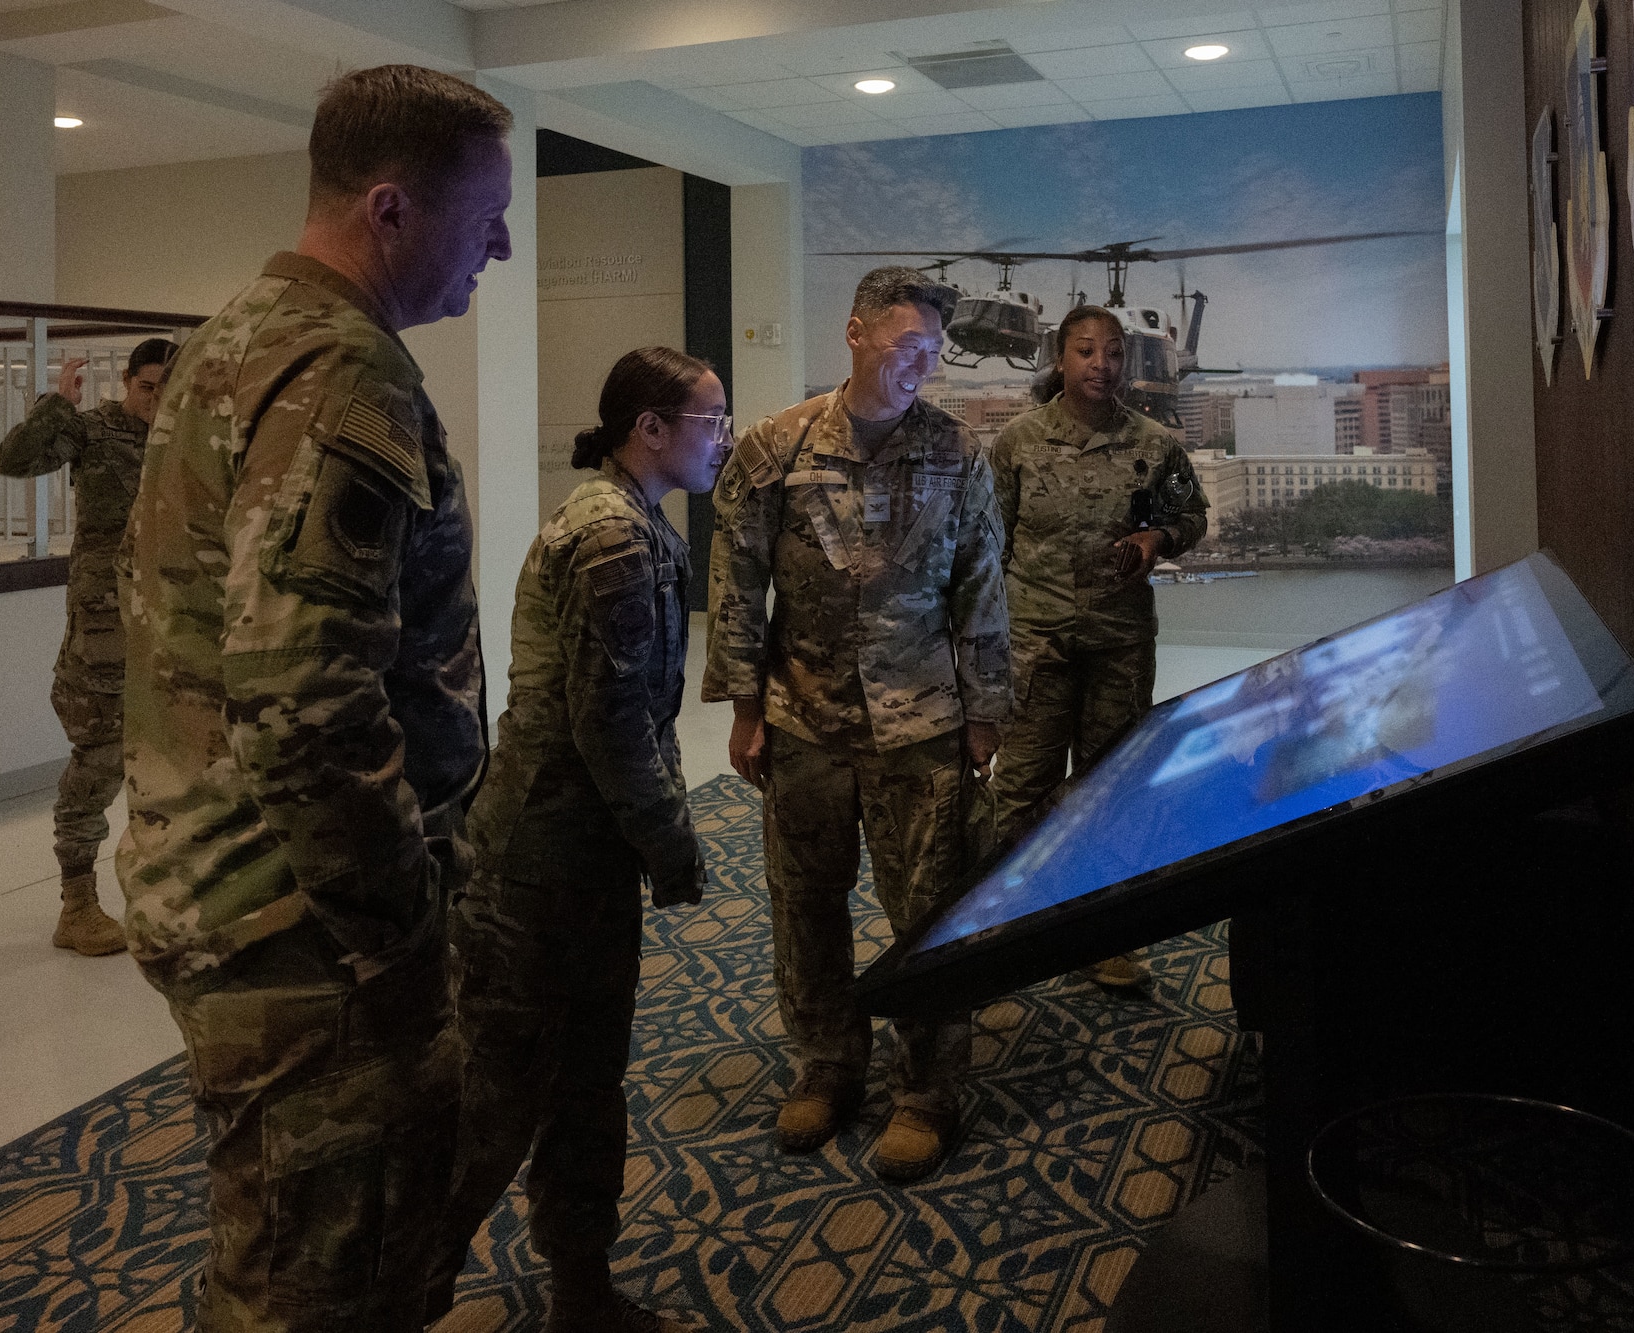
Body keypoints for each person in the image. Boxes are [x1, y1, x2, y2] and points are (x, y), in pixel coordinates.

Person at [114, 65, 510, 1331]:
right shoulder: (345, 376)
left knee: (290, 1241)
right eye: (485, 213)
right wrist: (398, 941)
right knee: (316, 1286)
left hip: (232, 888)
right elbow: (302, 700)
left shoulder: (235, 336)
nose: (499, 244)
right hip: (304, 929)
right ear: (389, 209)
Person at [424, 347, 725, 1333]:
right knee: (494, 1108)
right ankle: (385, 1300)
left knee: (586, 1084)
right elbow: (609, 723)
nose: (720, 436)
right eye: (707, 420)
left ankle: (580, 1289)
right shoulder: (610, 541)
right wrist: (671, 844)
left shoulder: (634, 523)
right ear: (650, 428)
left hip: (581, 860)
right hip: (537, 869)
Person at [703, 265, 1012, 1183]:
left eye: (932, 349)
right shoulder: (774, 448)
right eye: (907, 342)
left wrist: (986, 714)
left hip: (924, 726)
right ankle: (828, 1063)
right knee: (806, 904)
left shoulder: (958, 453)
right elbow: (736, 585)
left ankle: (927, 1090)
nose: (922, 362)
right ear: (855, 332)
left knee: (927, 914)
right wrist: (746, 709)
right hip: (807, 721)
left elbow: (982, 589)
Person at [989, 306, 1210, 988]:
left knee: (1109, 785)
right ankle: (1009, 924)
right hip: (1035, 641)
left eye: (1114, 352)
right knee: (1020, 787)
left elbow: (1191, 516)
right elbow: (986, 541)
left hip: (1118, 641)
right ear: (1061, 358)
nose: (1102, 364)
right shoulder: (1018, 443)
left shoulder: (1154, 444)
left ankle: (1101, 933)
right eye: (1086, 351)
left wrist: (1158, 540)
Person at [0, 337, 176, 956]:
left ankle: (160, 895)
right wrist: (55, 408)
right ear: (127, 381)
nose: (156, 401)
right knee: (99, 759)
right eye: (148, 387)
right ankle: (78, 903)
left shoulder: (186, 441)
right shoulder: (93, 431)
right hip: (106, 626)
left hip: (172, 626)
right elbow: (12, 461)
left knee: (170, 766)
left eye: (167, 389)